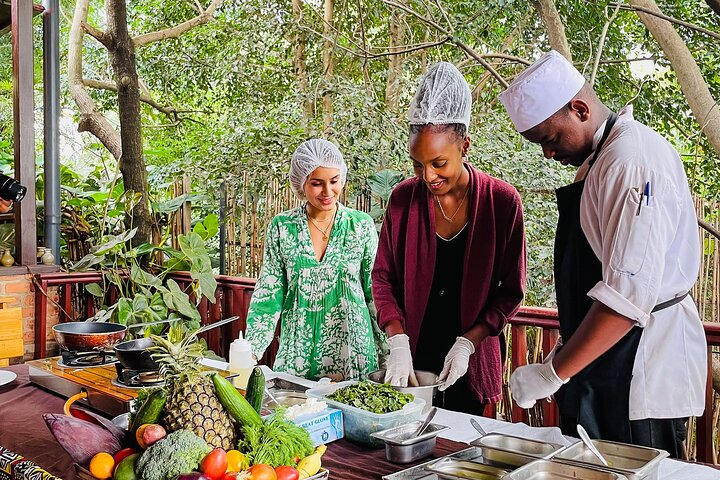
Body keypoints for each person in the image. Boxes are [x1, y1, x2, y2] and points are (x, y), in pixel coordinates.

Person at [500, 50, 706, 458]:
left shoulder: (631, 160)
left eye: (550, 139)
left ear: (579, 108)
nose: (548, 154)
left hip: (641, 369)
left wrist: (551, 373)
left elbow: (627, 300)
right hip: (607, 363)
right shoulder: (600, 160)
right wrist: (564, 351)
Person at [372, 62, 526, 415]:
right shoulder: (402, 199)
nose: (427, 176)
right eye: (417, 164)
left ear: (465, 146)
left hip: (468, 365)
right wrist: (396, 338)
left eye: (439, 162)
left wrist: (468, 343)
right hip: (410, 361)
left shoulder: (502, 203)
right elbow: (383, 276)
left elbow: (510, 292)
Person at [245, 139, 386, 381]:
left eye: (334, 181)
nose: (328, 192)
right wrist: (249, 353)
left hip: (354, 353)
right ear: (301, 183)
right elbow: (268, 295)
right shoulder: (282, 228)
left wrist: (390, 353)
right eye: (317, 184)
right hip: (298, 354)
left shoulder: (361, 225)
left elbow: (375, 292)